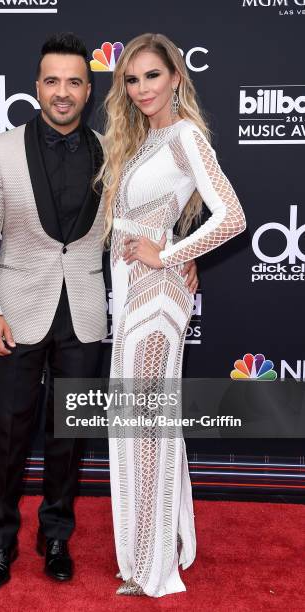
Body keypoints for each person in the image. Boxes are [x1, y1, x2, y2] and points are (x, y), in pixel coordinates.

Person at [0, 32, 198, 590]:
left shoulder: (112, 151)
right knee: (9, 433)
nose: (63, 92)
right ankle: (0, 543)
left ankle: (56, 538)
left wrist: (178, 255)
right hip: (18, 310)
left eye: (74, 81)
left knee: (69, 435)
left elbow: (154, 208)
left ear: (88, 89)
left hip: (89, 312)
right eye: (52, 81)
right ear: (37, 87)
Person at [95, 33, 246, 597]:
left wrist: (173, 255)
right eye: (131, 80)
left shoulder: (184, 135)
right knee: (142, 426)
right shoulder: (144, 140)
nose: (141, 89)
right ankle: (156, 546)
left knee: (146, 427)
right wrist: (172, 248)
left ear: (176, 77)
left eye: (152, 76)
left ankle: (154, 567)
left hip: (156, 301)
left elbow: (231, 217)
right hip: (132, 297)